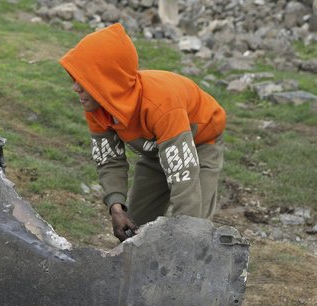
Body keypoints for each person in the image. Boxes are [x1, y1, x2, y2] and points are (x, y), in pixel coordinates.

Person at [60, 23, 226, 242]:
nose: (76, 88)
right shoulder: (97, 107)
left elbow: (183, 175)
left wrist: (186, 239)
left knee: (194, 227)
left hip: (200, 143)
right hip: (156, 150)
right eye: (75, 79)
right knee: (134, 232)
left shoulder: (161, 104)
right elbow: (109, 160)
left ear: (107, 80)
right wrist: (116, 208)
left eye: (84, 80)